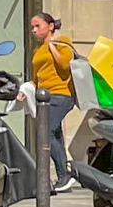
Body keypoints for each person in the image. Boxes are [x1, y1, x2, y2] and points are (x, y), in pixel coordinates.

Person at [27, 11, 76, 194]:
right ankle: (65, 177)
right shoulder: (37, 51)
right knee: (55, 134)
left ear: (50, 26)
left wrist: (51, 46)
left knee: (46, 132)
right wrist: (26, 91)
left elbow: (64, 64)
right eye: (32, 27)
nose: (34, 30)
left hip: (61, 94)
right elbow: (37, 77)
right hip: (45, 97)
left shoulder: (63, 43)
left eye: (38, 26)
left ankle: (64, 175)